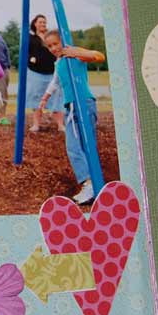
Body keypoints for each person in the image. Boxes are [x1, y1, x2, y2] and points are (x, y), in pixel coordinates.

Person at [39, 30, 105, 205]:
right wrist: (45, 97)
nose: (53, 48)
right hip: (71, 106)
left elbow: (98, 56)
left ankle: (89, 183)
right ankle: (93, 183)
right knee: (79, 145)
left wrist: (77, 51)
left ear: (63, 41)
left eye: (55, 43)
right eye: (49, 46)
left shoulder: (75, 55)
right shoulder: (60, 62)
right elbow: (55, 81)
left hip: (83, 103)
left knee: (76, 146)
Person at [26, 14, 65, 132]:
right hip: (36, 72)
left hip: (52, 71)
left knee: (57, 97)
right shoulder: (30, 37)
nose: (43, 24)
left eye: (44, 22)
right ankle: (36, 124)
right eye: (40, 22)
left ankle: (60, 124)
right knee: (37, 97)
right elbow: (25, 52)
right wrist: (30, 58)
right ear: (34, 24)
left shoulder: (50, 37)